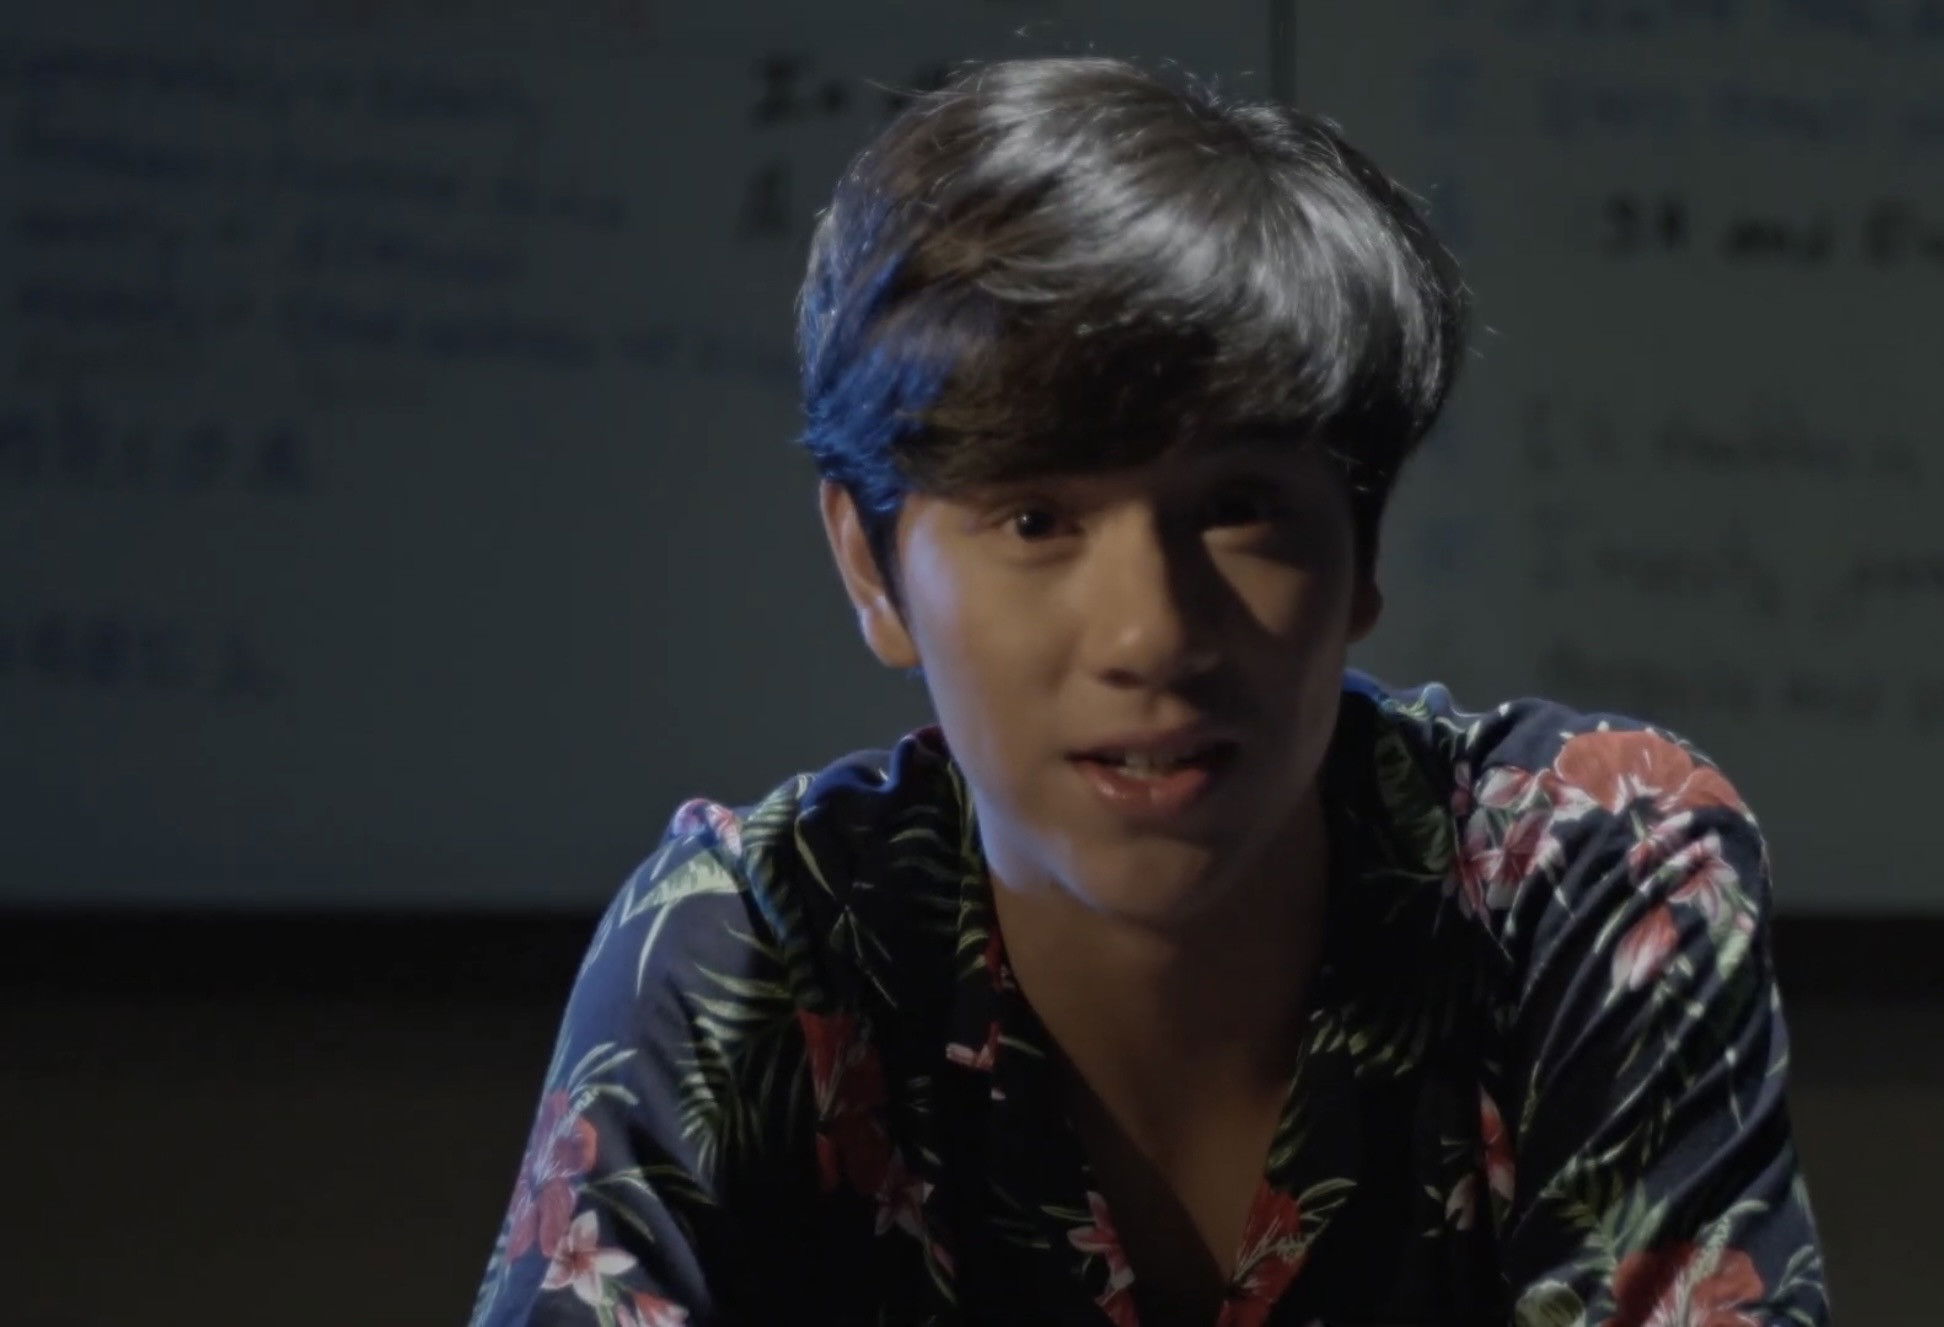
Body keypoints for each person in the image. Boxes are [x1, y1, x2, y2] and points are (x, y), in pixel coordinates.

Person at [468, 55, 1828, 1327]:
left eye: (1241, 508)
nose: (1152, 634)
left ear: (1361, 551)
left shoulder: (1578, 880)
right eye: (1036, 520)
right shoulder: (756, 947)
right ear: (870, 566)